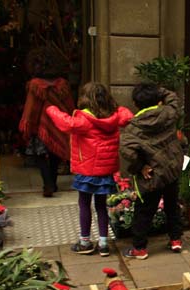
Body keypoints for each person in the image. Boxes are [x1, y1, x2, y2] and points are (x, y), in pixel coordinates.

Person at [46, 83, 133, 256]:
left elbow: (65, 124)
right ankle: (103, 243)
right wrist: (114, 107)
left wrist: (51, 109)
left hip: (87, 171)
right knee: (101, 206)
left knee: (84, 205)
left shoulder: (84, 120)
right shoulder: (114, 116)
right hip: (106, 171)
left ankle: (85, 242)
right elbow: (127, 115)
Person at [119, 83, 184, 260]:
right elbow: (173, 98)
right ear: (157, 100)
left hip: (152, 174)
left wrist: (141, 166)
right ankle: (176, 240)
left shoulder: (134, 127)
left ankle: (140, 248)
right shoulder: (169, 113)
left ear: (135, 103)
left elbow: (126, 150)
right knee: (172, 206)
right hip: (171, 169)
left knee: (144, 210)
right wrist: (159, 91)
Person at [19, 47, 73, 197]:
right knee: (55, 153)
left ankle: (47, 184)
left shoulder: (35, 84)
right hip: (58, 122)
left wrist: (28, 124)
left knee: (40, 155)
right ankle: (53, 183)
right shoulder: (62, 84)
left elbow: (31, 108)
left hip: (40, 125)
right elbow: (69, 106)